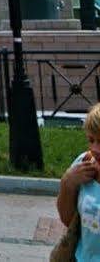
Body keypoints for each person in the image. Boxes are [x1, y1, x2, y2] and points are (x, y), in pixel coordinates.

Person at [54, 105, 100, 261]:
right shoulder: (84, 163)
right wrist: (68, 182)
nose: (95, 149)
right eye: (91, 140)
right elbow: (68, 220)